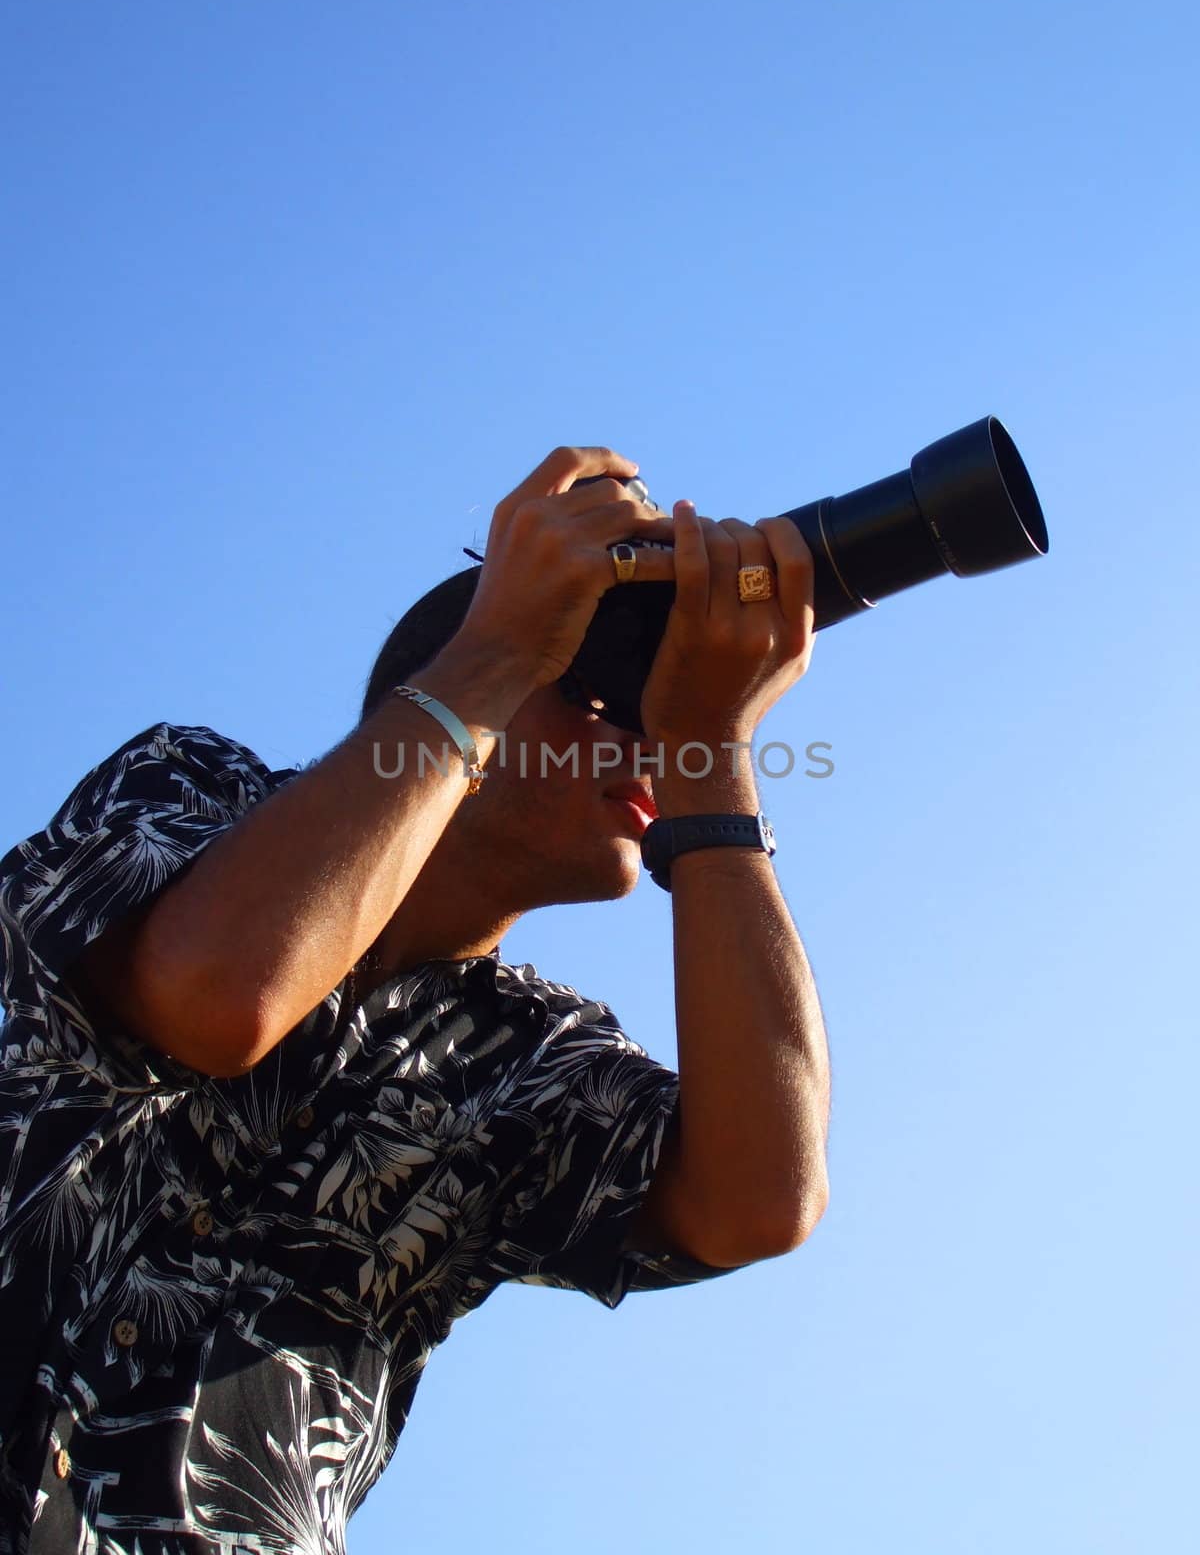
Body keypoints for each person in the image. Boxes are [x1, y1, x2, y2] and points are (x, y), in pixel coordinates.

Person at [0, 445, 831, 1555]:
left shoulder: (536, 1059)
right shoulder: (193, 789)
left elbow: (759, 1201)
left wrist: (711, 749)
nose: (640, 741)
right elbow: (217, 997)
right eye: (601, 694)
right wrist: (496, 645)